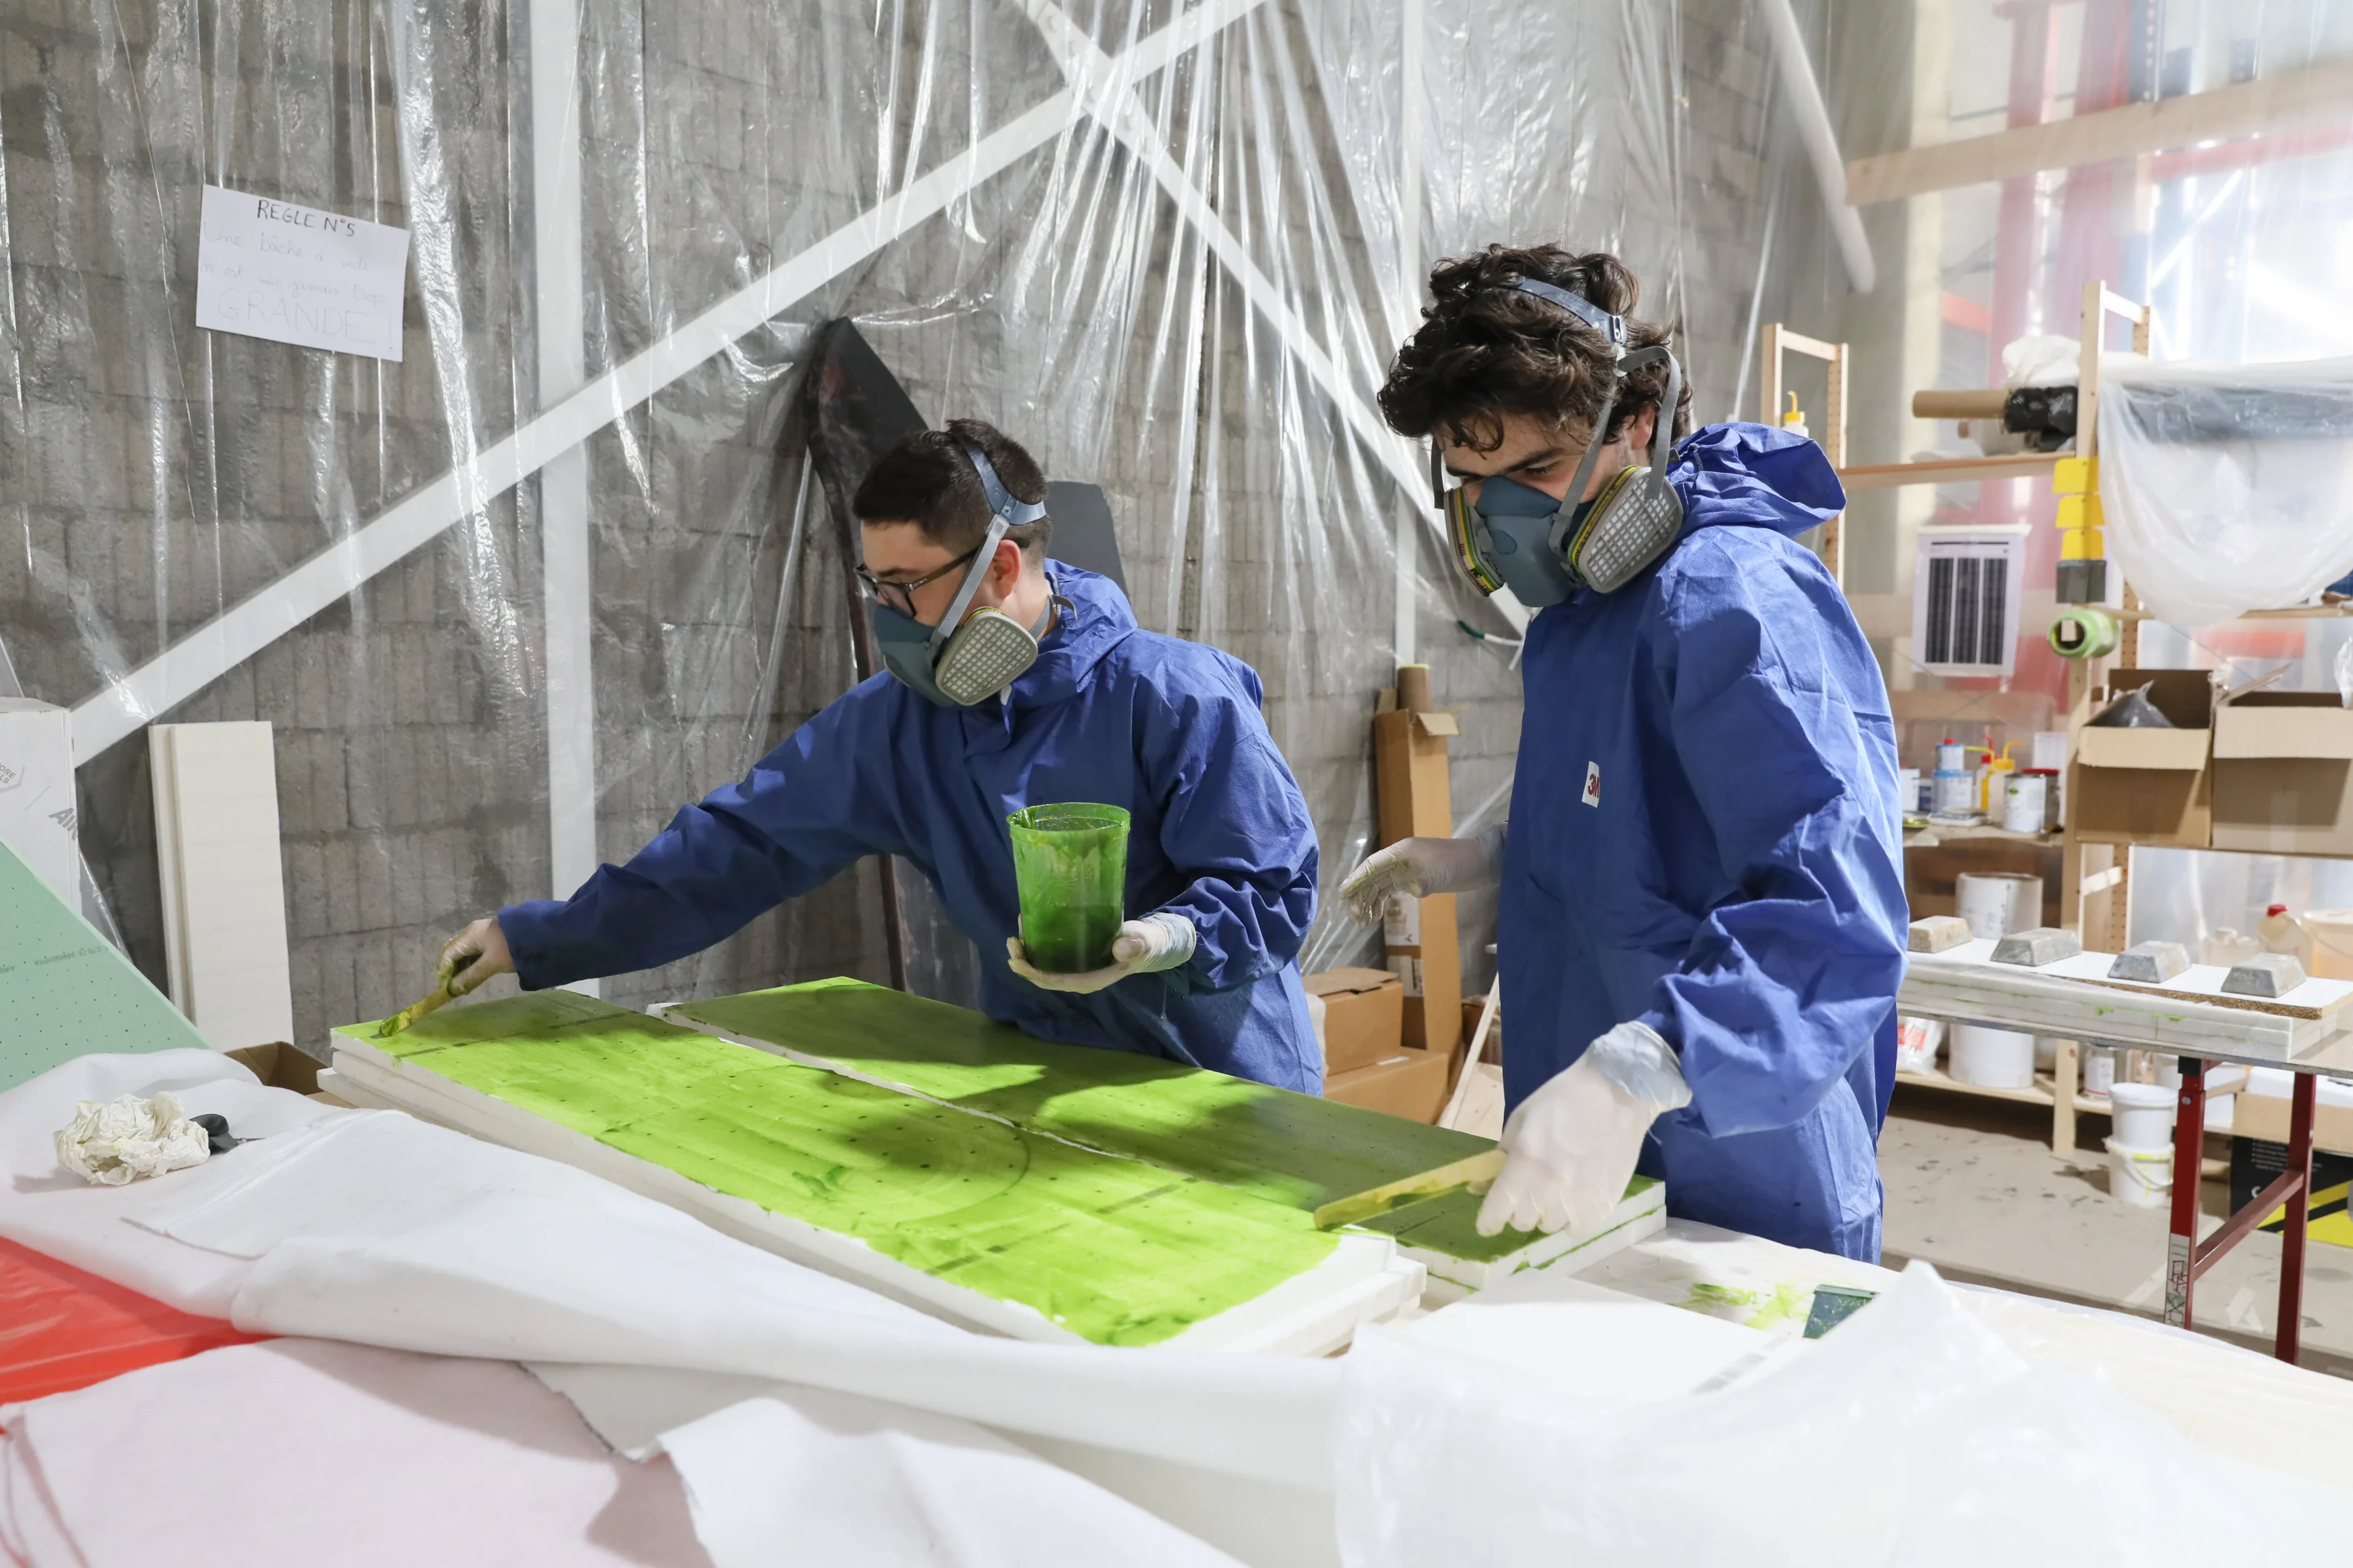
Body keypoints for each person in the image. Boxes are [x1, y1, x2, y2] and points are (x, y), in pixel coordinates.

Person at [429, 418, 1324, 1091]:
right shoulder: (899, 725)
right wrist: (533, 936)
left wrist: (1159, 938)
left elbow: (1272, 889)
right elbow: (737, 848)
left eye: (905, 588)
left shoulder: (1173, 696)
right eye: (874, 586)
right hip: (1040, 1079)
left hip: (1218, 1086)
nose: (886, 618)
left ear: (1002, 567)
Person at [1342, 245, 1906, 1261]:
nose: (1499, 516)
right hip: (1588, 1155)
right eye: (1470, 481)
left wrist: (1637, 1070)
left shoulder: (1736, 597)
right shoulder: (1575, 614)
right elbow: (1643, 819)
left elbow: (1832, 913)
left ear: (1634, 423)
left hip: (1742, 1167)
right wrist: (1489, 852)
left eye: (1535, 473)